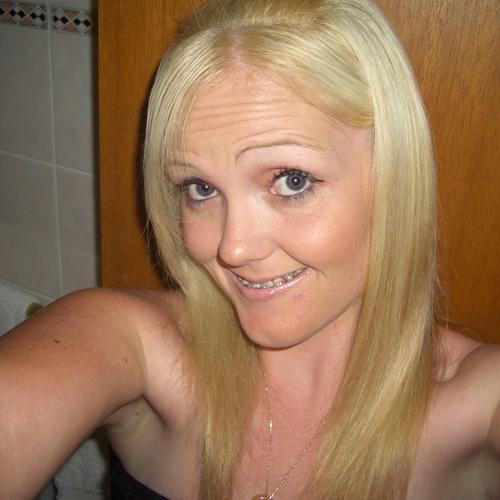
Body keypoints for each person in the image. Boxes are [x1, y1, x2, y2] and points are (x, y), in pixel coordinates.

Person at [1, 0, 499, 498]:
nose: (233, 247)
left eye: (292, 180)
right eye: (200, 188)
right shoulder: (140, 351)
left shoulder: (476, 409)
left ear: (394, 177)